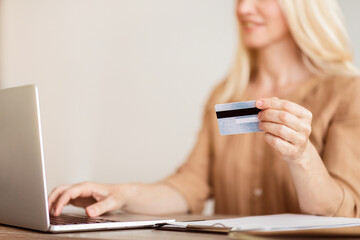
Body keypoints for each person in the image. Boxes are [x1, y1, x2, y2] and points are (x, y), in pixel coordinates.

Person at [49, 0, 360, 218]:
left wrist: (301, 156)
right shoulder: (225, 93)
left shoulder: (348, 92)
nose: (242, 8)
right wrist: (120, 194)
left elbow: (341, 212)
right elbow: (189, 188)